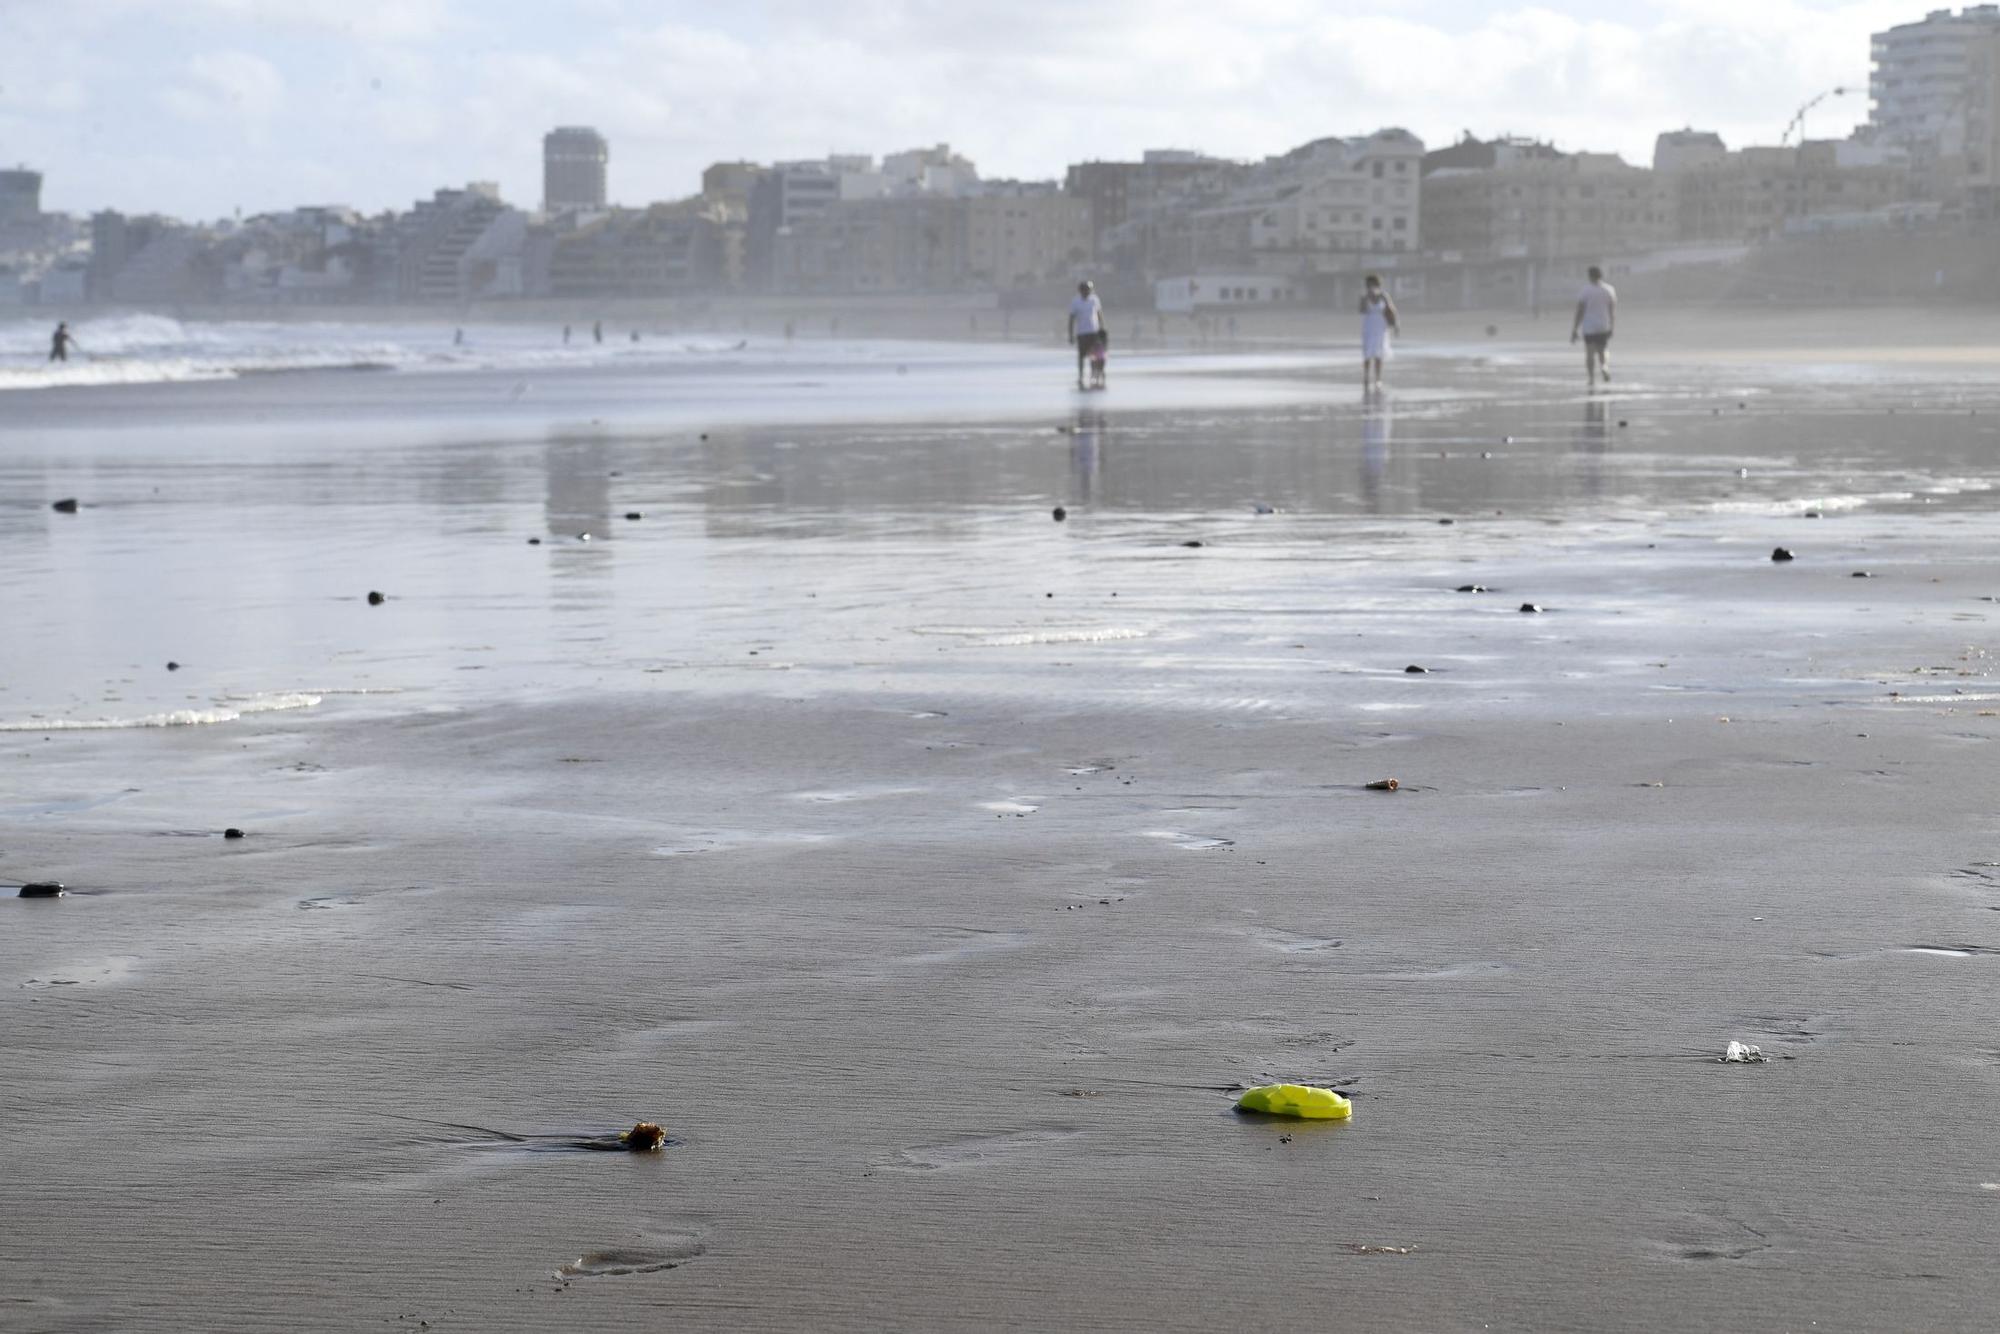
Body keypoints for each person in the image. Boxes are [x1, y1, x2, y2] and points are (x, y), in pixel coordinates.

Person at [1571, 265, 1617, 386]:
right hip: (1603, 325)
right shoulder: (1609, 290)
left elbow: (1580, 310)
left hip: (1589, 327)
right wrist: (1612, 326)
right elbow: (1612, 310)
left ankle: (1591, 378)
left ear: (1590, 276)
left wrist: (1575, 329)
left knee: (1590, 353)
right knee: (1603, 350)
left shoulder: (1586, 291)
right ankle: (1604, 367)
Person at [1358, 274, 1398, 389]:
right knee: (1367, 353)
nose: (1370, 287)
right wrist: (1367, 298)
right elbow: (1361, 310)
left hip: (1381, 327)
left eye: (1372, 284)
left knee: (1379, 353)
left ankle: (1378, 378)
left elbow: (1392, 310)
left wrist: (1395, 325)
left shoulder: (1384, 296)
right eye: (1368, 285)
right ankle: (1366, 377)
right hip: (1369, 326)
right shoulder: (1364, 297)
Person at [1067, 280, 1107, 390]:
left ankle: (1094, 375)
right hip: (1082, 333)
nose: (1086, 292)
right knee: (1081, 356)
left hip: (1094, 332)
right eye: (1084, 290)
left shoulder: (1095, 299)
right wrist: (1070, 334)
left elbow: (1099, 314)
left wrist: (1102, 327)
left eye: (1088, 290)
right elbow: (1071, 319)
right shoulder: (1075, 302)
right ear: (1080, 291)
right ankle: (1080, 376)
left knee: (1095, 355)